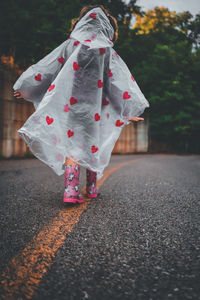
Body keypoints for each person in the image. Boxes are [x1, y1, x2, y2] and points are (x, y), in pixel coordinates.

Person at [13, 4, 150, 204]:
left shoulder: (69, 46)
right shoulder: (107, 53)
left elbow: (48, 69)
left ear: (81, 23)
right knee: (93, 145)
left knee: (74, 148)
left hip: (70, 108)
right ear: (108, 30)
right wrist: (125, 110)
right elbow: (117, 84)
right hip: (96, 111)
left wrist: (27, 87)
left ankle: (71, 190)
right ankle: (92, 188)